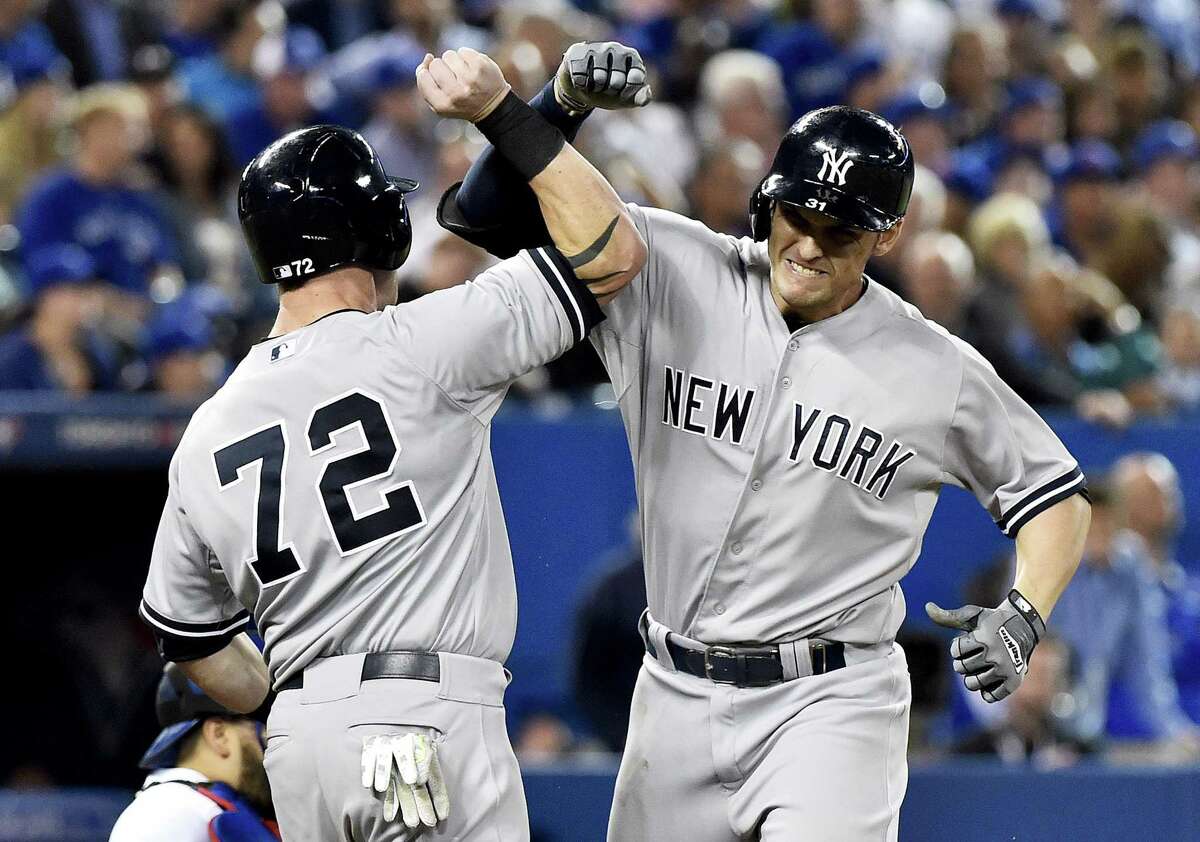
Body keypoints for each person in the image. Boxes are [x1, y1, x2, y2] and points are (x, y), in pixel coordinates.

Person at [445, 59, 1092, 839]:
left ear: (886, 235)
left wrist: (1023, 615)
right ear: (766, 203)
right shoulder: (672, 269)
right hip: (673, 689)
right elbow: (485, 217)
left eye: (840, 228)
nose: (812, 245)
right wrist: (559, 105)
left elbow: (1056, 499)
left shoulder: (934, 367)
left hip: (831, 701)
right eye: (799, 215)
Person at [137, 45, 647, 841]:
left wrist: (295, 695)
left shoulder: (208, 429)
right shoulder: (423, 342)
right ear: (379, 227)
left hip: (302, 746)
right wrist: (514, 114)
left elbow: (189, 637)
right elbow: (613, 252)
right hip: (423, 720)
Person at [109, 664, 278, 841]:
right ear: (219, 735)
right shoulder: (168, 812)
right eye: (264, 734)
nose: (272, 748)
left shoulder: (188, 807)